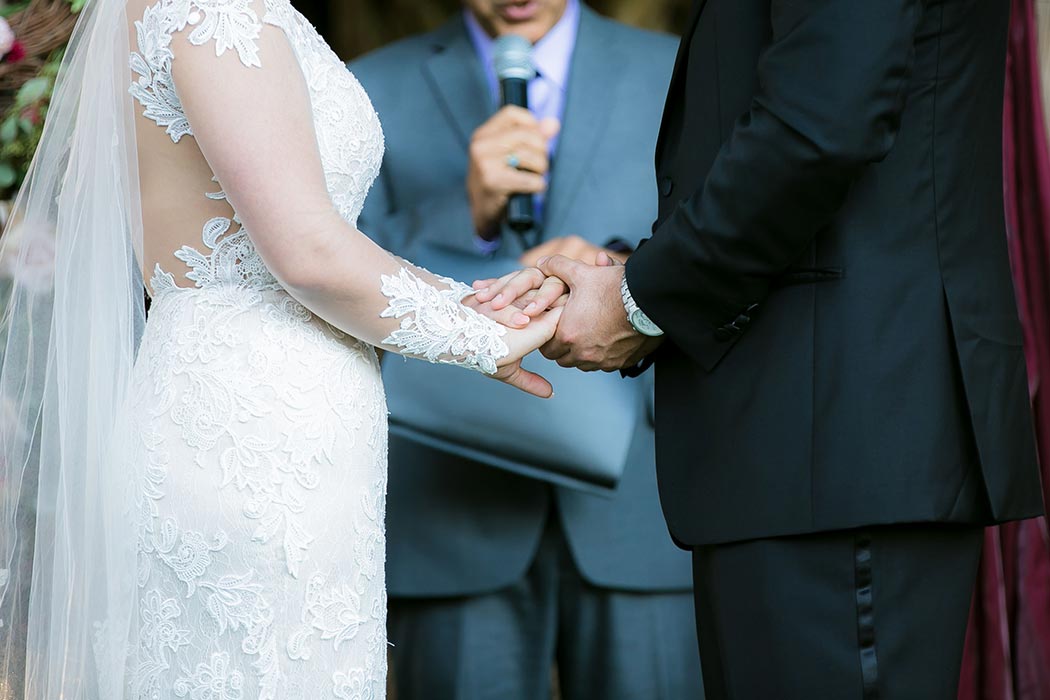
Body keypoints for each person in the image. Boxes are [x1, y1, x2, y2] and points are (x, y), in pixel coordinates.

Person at [482, 0, 1046, 698]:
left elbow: (823, 122)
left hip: (838, 437)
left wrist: (642, 301)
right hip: (813, 437)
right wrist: (633, 276)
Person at [0, 0, 562, 697]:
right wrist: (482, 333)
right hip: (252, 437)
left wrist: (473, 302)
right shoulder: (213, 7)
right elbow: (308, 254)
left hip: (263, 413)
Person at [351, 1, 703, 698]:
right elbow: (328, 273)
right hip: (452, 499)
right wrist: (464, 212)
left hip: (641, 489)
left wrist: (619, 271)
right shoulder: (366, 87)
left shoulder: (675, 68)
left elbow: (725, 236)